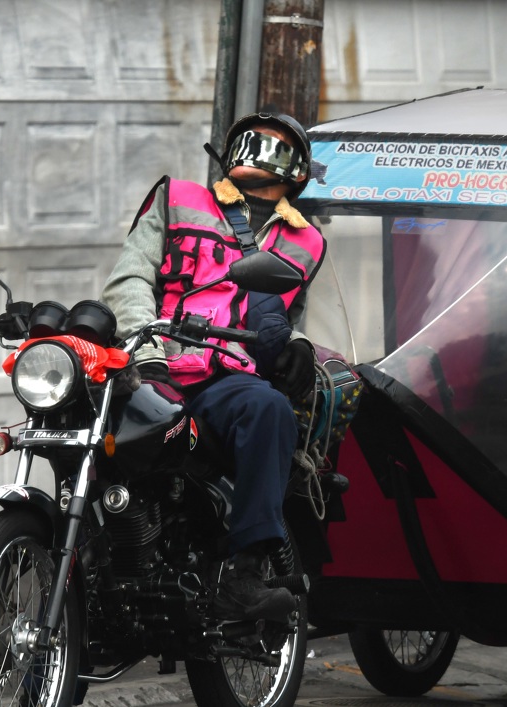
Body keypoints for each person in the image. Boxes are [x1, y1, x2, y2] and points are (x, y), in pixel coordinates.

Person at [101, 112, 326, 621]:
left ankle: (246, 574)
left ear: (297, 171)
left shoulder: (306, 241)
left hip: (225, 379)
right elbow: (128, 280)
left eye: (276, 143)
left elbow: (279, 318)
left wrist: (299, 346)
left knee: (269, 408)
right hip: (151, 365)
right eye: (252, 138)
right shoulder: (178, 197)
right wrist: (148, 358)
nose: (259, 147)